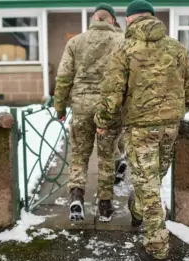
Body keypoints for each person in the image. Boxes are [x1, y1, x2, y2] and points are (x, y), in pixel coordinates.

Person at [94, 0, 189, 261]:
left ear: (129, 20)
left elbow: (111, 95)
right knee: (153, 180)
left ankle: (157, 250)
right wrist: (174, 112)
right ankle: (138, 209)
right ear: (153, 18)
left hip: (141, 129)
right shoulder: (176, 48)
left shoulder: (123, 49)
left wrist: (102, 122)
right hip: (170, 127)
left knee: (148, 186)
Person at [53, 3, 125, 222]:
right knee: (106, 156)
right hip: (109, 108)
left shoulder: (75, 42)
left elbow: (64, 77)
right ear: (112, 20)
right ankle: (105, 205)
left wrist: (59, 107)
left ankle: (76, 195)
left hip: (81, 106)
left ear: (94, 18)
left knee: (79, 155)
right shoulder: (122, 42)